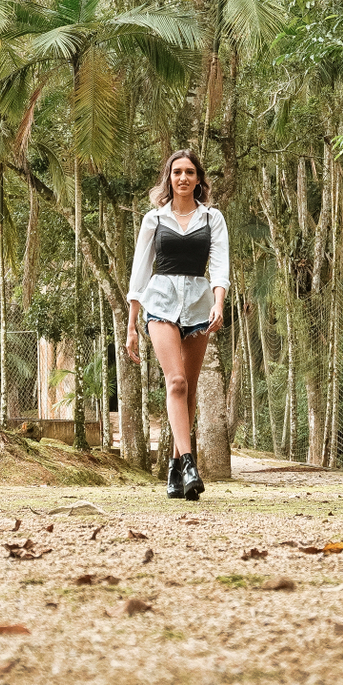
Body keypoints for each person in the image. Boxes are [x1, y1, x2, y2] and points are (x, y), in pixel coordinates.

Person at [126, 149, 229, 501]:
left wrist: (218, 303)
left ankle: (173, 470)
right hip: (161, 303)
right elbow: (140, 272)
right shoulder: (154, 220)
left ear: (198, 179)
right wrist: (131, 325)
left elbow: (220, 265)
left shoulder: (212, 218)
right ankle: (189, 463)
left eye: (189, 172)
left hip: (199, 305)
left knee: (190, 390)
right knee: (177, 382)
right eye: (176, 172)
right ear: (168, 178)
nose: (183, 177)